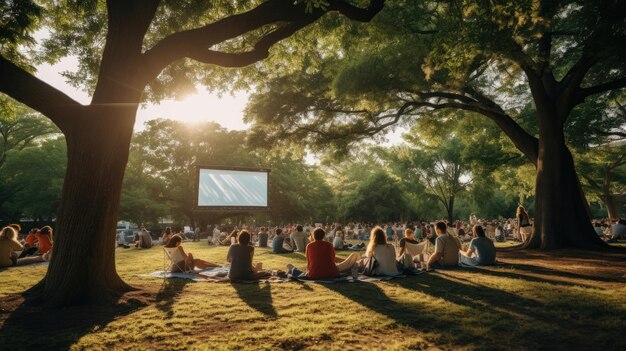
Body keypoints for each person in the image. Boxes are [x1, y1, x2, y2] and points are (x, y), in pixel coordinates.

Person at [287, 227, 360, 279]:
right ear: (323, 236)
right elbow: (333, 259)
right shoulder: (329, 245)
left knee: (304, 273)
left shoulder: (309, 246)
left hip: (314, 274)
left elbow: (309, 263)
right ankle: (294, 270)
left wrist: (309, 272)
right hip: (331, 273)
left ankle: (294, 270)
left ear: (313, 236)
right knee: (352, 258)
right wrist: (344, 261)